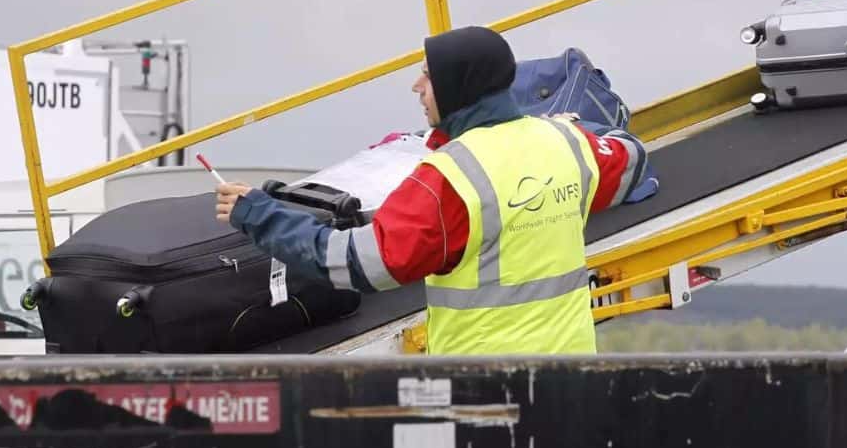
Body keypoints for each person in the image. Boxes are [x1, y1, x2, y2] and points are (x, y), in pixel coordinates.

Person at [216, 25, 651, 355]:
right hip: (571, 374)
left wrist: (258, 213)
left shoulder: (451, 177)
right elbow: (630, 157)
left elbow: (356, 263)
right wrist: (564, 125)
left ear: (459, 86)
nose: (416, 86)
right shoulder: (567, 145)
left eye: (428, 75)